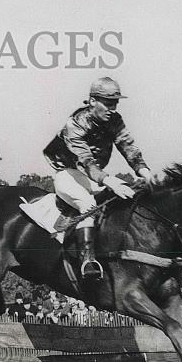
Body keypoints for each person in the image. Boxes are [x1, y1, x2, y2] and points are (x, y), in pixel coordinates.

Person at [42, 77, 153, 280]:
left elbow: (127, 145)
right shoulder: (75, 124)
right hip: (69, 174)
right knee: (88, 204)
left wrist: (144, 171)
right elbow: (86, 162)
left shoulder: (115, 120)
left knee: (127, 197)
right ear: (93, 101)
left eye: (115, 104)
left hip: (93, 177)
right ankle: (87, 260)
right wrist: (109, 181)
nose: (113, 108)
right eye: (108, 103)